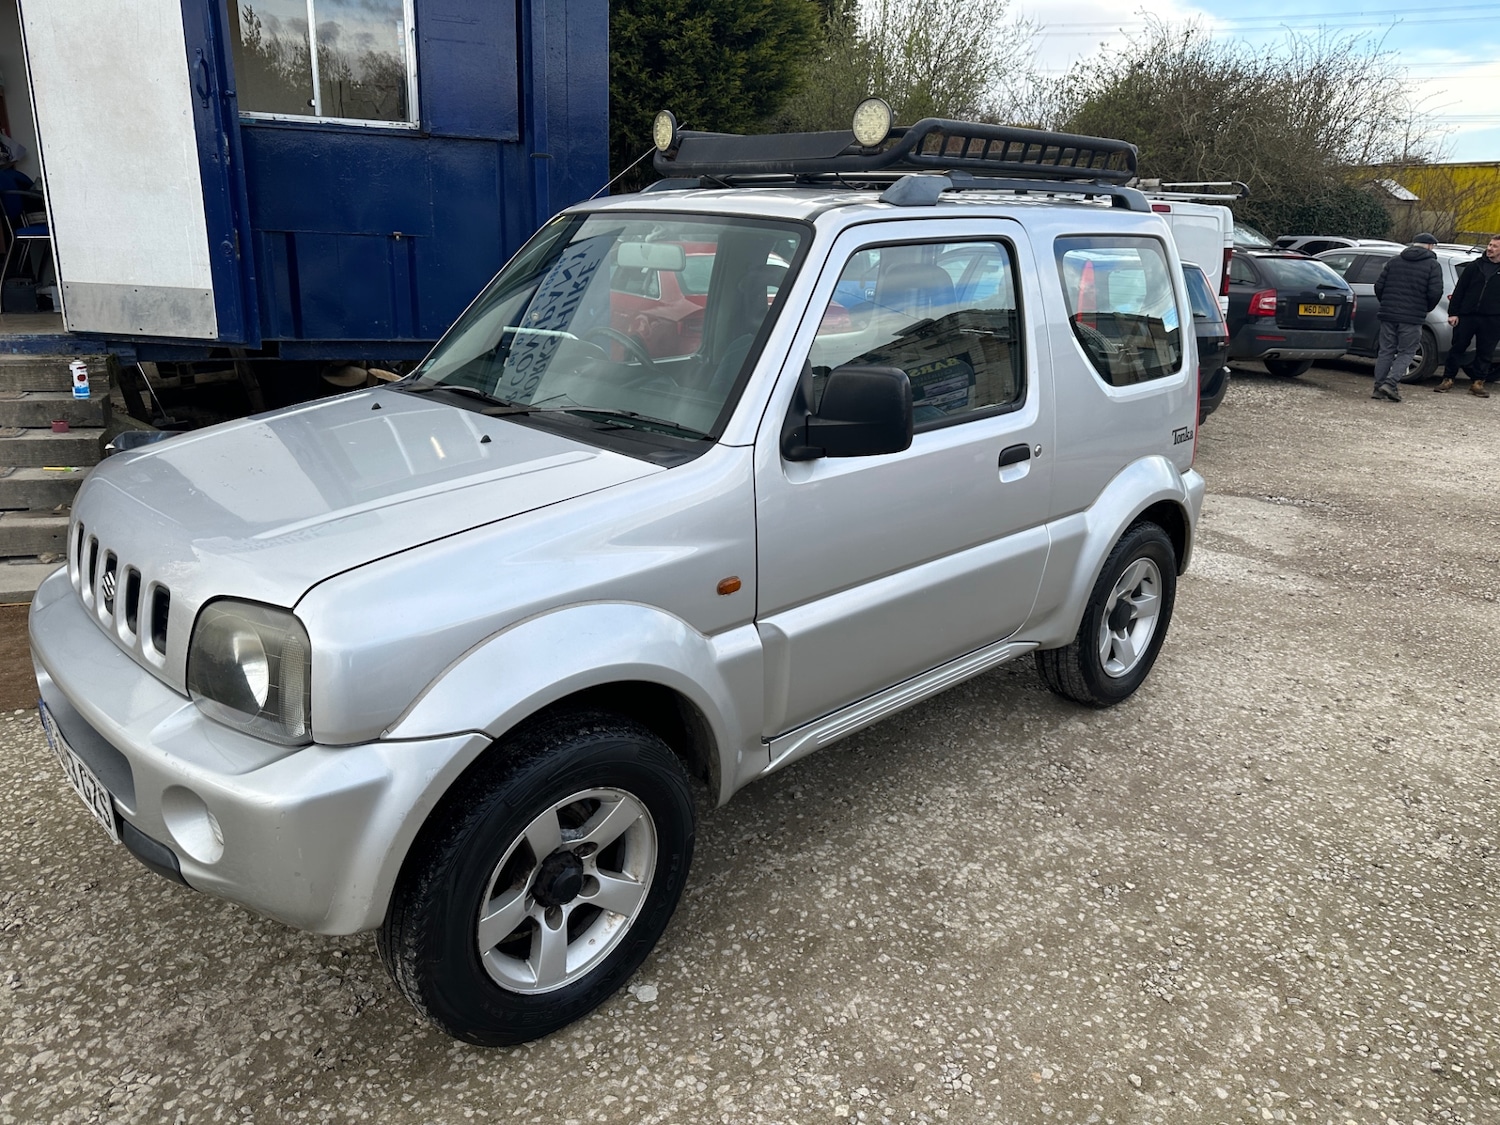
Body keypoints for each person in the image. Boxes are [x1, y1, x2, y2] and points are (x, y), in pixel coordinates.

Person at [1370, 232, 1444, 402]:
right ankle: (1390, 383)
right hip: (1412, 316)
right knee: (1407, 351)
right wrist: (1425, 308)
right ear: (1430, 246)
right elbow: (1435, 292)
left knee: (1386, 351)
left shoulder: (1394, 261)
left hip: (1388, 314)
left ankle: (1378, 387)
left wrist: (1387, 304)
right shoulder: (1433, 265)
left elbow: (1379, 286)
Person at [1435, 233, 1500, 398]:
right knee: (1458, 347)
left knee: (1486, 351)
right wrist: (1453, 313)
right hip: (1467, 315)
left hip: (1492, 318)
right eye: (1490, 245)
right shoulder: (1474, 266)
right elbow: (1460, 290)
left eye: (1494, 246)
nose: (1490, 248)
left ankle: (1478, 383)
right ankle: (1448, 378)